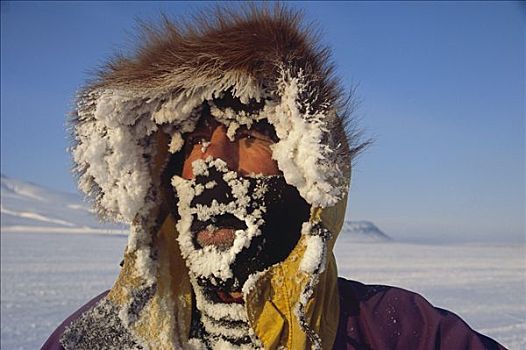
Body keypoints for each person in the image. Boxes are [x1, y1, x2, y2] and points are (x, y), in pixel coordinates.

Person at [43, 6, 505, 350]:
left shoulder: (397, 331)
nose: (212, 160)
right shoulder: (100, 336)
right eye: (195, 137)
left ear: (306, 172)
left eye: (249, 135)